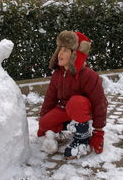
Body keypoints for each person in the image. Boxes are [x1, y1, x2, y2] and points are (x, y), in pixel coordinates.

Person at [37, 30, 108, 159]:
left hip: (83, 110)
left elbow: (100, 103)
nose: (60, 54)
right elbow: (50, 99)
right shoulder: (57, 74)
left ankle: (82, 140)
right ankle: (66, 131)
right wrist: (43, 124)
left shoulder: (88, 75)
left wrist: (98, 132)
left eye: (65, 50)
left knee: (77, 102)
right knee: (45, 123)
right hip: (65, 109)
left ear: (75, 54)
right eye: (60, 49)